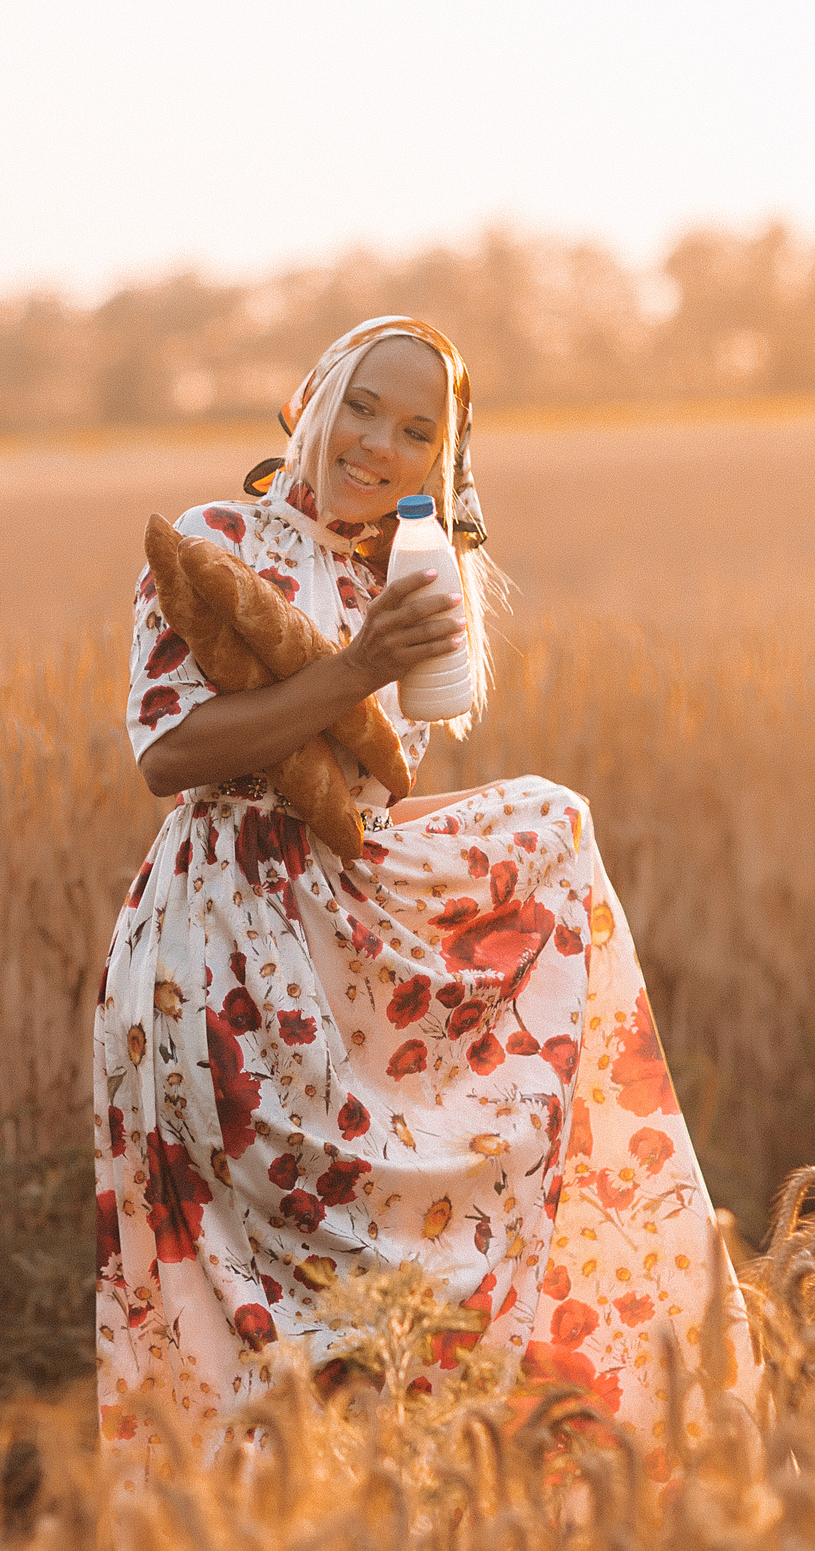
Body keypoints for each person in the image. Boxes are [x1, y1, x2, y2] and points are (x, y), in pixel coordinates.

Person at [93, 316, 757, 1485]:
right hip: (218, 958)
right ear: (309, 402)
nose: (378, 444)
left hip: (343, 966)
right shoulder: (216, 541)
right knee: (256, 1297)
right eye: (361, 406)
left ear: (442, 464)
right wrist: (354, 670)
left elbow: (370, 808)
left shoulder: (395, 576)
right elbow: (169, 754)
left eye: (416, 430)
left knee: (394, 1302)